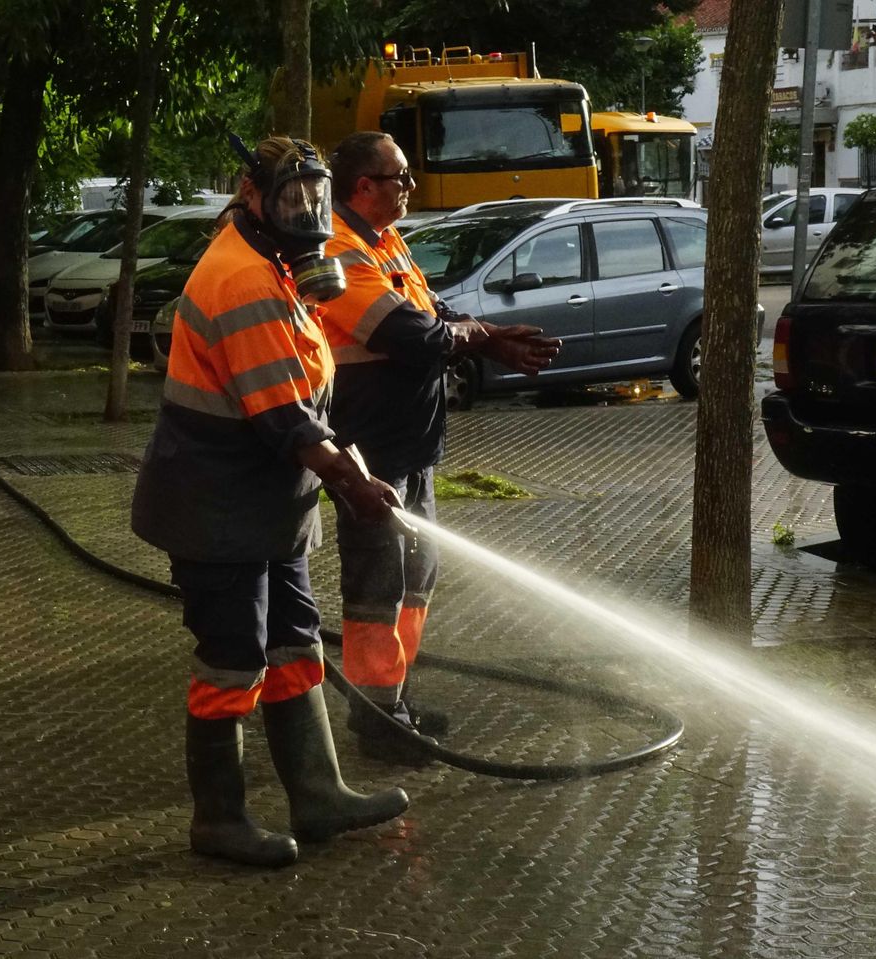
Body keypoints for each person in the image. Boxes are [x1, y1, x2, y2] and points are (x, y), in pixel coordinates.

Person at [131, 134, 410, 868]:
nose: (308, 211)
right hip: (214, 507)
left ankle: (319, 794)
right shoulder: (245, 280)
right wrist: (352, 480)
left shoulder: (277, 265)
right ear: (252, 195)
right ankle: (217, 820)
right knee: (234, 657)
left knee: (293, 645)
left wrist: (339, 464)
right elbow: (284, 418)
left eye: (315, 197)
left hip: (268, 507)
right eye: (292, 198)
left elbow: (305, 387)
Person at [318, 131, 560, 765]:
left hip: (412, 448)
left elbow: (430, 310)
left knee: (417, 577)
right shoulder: (337, 253)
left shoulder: (384, 240)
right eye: (400, 178)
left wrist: (486, 337)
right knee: (378, 588)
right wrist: (479, 335)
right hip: (369, 457)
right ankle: (376, 723)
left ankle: (394, 701)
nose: (411, 187)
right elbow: (407, 332)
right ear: (363, 186)